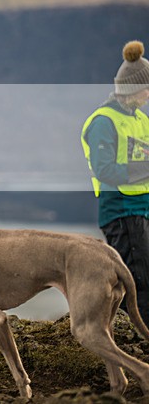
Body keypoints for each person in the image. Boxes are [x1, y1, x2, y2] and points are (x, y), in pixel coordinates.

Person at [81, 40, 149, 323]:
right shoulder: (103, 122)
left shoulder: (140, 119)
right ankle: (136, 342)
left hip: (141, 211)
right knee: (137, 281)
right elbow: (105, 169)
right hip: (121, 213)